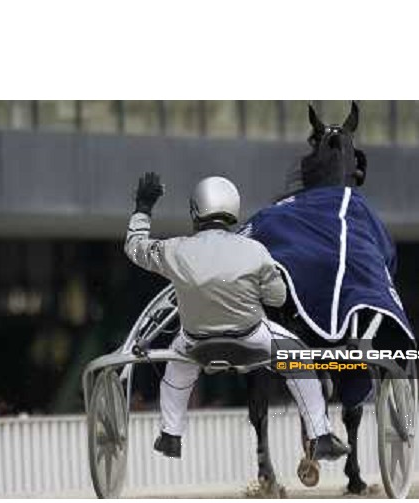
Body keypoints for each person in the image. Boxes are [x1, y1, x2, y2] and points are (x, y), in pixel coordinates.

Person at [124, 172, 350, 460]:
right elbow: (277, 298)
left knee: (176, 366)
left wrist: (143, 208)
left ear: (195, 211)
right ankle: (321, 436)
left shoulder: (173, 249)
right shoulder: (255, 250)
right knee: (300, 360)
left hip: (195, 342)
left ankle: (170, 435)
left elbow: (133, 247)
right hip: (252, 338)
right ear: (233, 210)